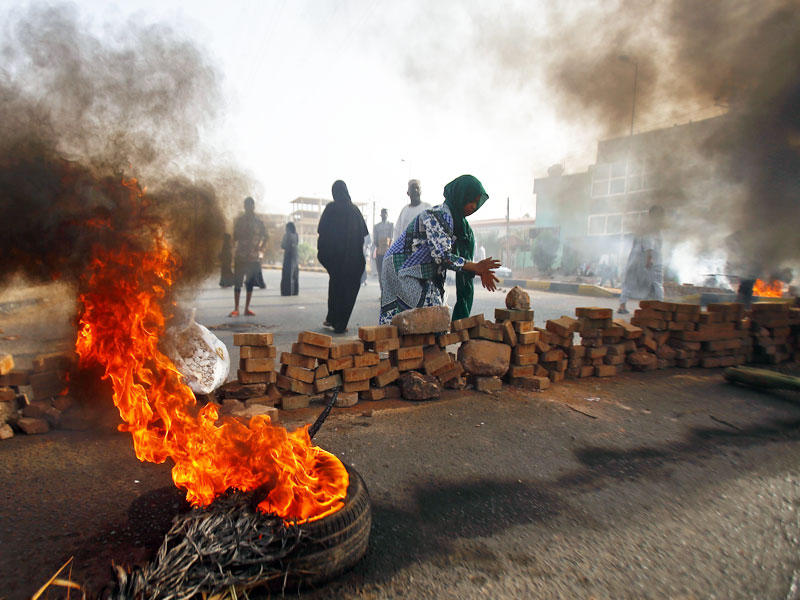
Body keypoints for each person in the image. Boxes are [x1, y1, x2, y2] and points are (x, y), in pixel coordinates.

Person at [380, 174, 500, 324]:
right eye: (471, 200)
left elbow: (454, 259)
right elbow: (442, 256)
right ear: (461, 195)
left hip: (422, 272)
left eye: (477, 203)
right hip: (401, 267)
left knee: (436, 316)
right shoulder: (439, 215)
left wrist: (476, 269)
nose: (473, 207)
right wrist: (475, 266)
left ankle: (422, 346)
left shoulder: (463, 228)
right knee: (425, 318)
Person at [317, 180, 369, 333]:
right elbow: (363, 235)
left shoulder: (330, 209)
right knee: (348, 291)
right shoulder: (354, 211)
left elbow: (322, 232)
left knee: (335, 287)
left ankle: (332, 318)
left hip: (335, 260)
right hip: (352, 262)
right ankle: (340, 323)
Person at [617, 205, 664, 314]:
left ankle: (625, 306)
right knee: (656, 284)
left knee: (636, 283)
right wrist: (649, 258)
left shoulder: (646, 226)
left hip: (639, 259)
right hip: (648, 260)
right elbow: (649, 243)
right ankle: (660, 308)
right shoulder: (651, 227)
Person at [230, 196, 267, 317]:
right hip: (240, 256)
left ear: (253, 207)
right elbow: (234, 237)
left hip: (252, 257)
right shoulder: (239, 221)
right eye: (247, 206)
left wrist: (261, 247)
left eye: (250, 205)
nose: (249, 208)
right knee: (238, 282)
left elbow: (265, 236)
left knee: (250, 283)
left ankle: (246, 308)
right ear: (244, 207)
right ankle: (236, 309)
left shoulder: (259, 222)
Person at [372, 208, 394, 293]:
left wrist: (387, 245)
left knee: (388, 273)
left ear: (387, 215)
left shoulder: (391, 225)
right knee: (380, 273)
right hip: (380, 253)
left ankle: (388, 292)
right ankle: (383, 291)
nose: (384, 215)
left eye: (386, 213)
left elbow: (391, 238)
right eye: (383, 213)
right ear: (381, 215)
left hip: (388, 252)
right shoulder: (376, 226)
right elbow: (375, 240)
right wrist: (381, 245)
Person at [280, 221, 299, 296]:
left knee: (287, 275)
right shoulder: (296, 235)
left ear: (288, 228)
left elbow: (283, 245)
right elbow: (297, 243)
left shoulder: (287, 235)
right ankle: (295, 291)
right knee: (294, 274)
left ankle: (287, 291)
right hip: (295, 256)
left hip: (288, 256)